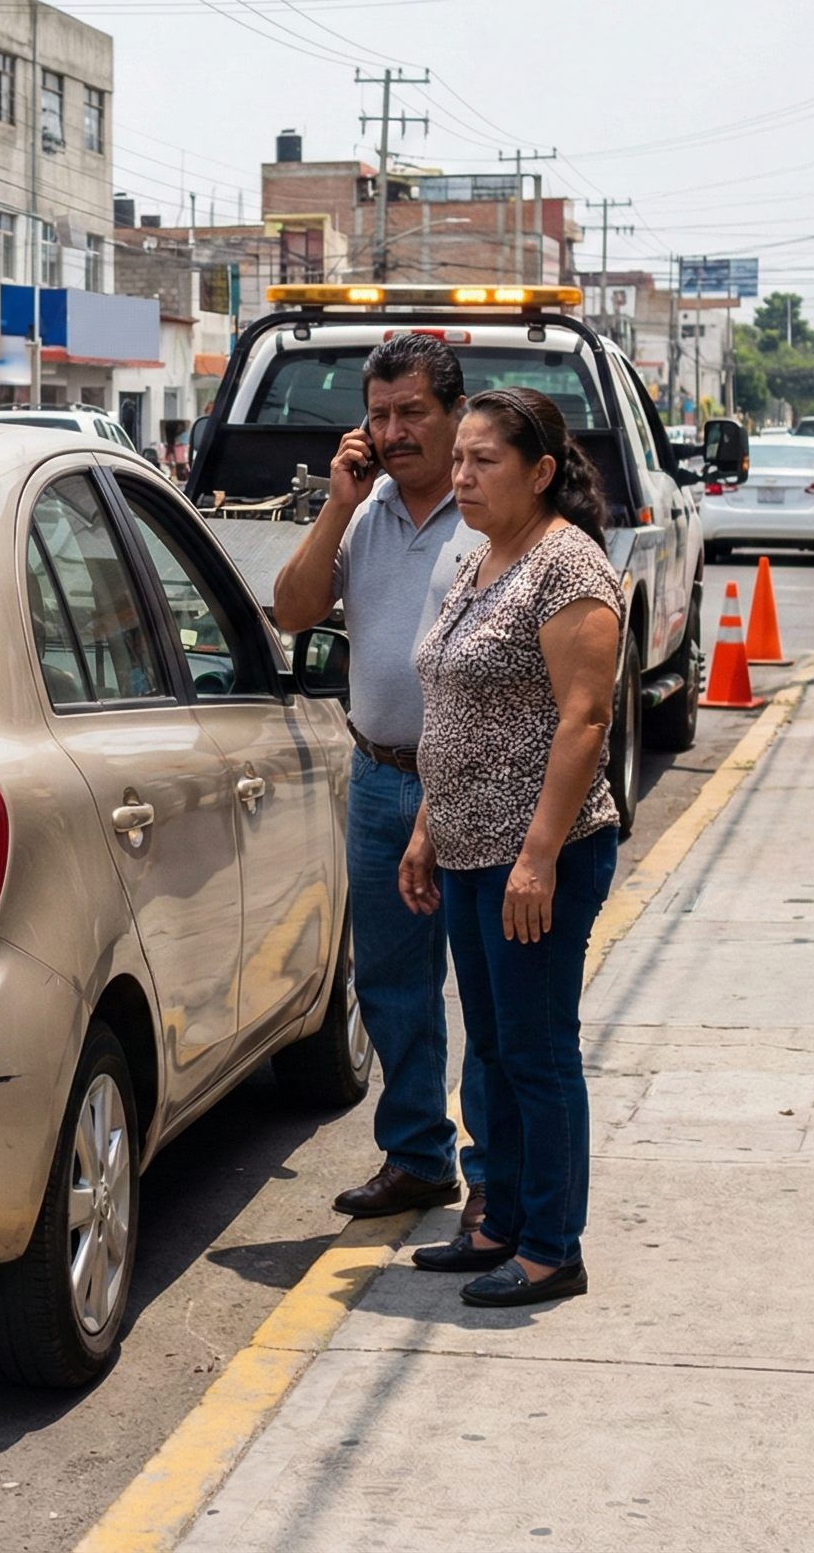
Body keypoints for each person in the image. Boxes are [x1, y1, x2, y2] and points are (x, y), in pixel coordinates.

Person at [398, 386, 623, 1308]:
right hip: (463, 847)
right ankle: (498, 1223)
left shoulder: (568, 568)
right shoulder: (484, 560)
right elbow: (452, 703)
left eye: (484, 462)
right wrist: (425, 830)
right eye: (460, 460)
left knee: (536, 1051)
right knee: (488, 1048)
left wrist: (537, 857)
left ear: (540, 472)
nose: (462, 476)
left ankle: (550, 1248)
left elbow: (585, 719)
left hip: (534, 857)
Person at [274, 332, 489, 1235]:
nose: (395, 432)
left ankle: (497, 1177)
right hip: (380, 777)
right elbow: (291, 610)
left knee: (487, 992)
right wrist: (337, 505)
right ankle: (416, 1158)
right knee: (394, 988)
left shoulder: (492, 515)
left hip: (474, 789)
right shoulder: (364, 514)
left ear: (454, 417)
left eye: (414, 414)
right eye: (380, 414)